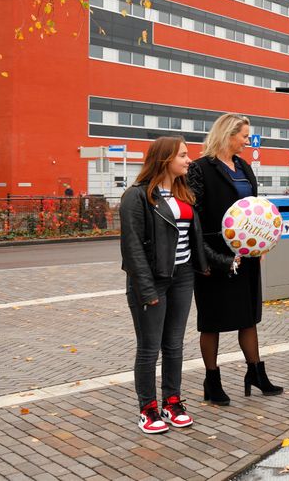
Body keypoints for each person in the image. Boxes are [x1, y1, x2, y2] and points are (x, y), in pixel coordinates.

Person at [187, 113, 283, 404]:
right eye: (243, 135)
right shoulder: (200, 169)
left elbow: (254, 207)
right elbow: (196, 219)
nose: (247, 140)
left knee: (248, 317)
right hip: (215, 255)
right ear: (228, 135)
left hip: (247, 255)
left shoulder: (244, 166)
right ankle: (211, 381)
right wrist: (206, 258)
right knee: (212, 321)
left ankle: (255, 373)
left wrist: (262, 243)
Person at [119, 136, 207, 434]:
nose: (188, 160)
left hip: (183, 277)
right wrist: (146, 290)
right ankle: (147, 410)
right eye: (183, 155)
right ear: (165, 158)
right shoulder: (137, 196)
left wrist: (218, 262)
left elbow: (193, 240)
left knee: (174, 345)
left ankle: (172, 402)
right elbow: (132, 249)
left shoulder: (184, 193)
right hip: (153, 281)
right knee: (149, 348)